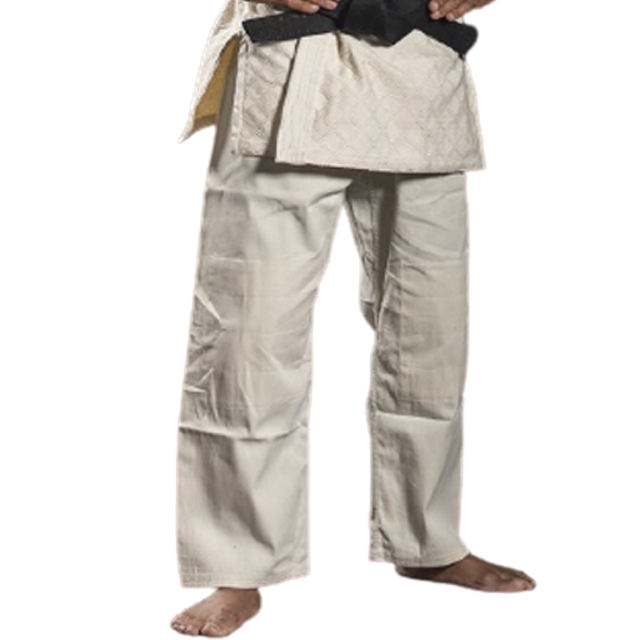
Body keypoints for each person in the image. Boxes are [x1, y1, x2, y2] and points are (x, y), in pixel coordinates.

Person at [171, 0, 535, 635]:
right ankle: (237, 564)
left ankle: (426, 539)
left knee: (429, 331)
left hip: (421, 69)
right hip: (292, 64)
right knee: (250, 336)